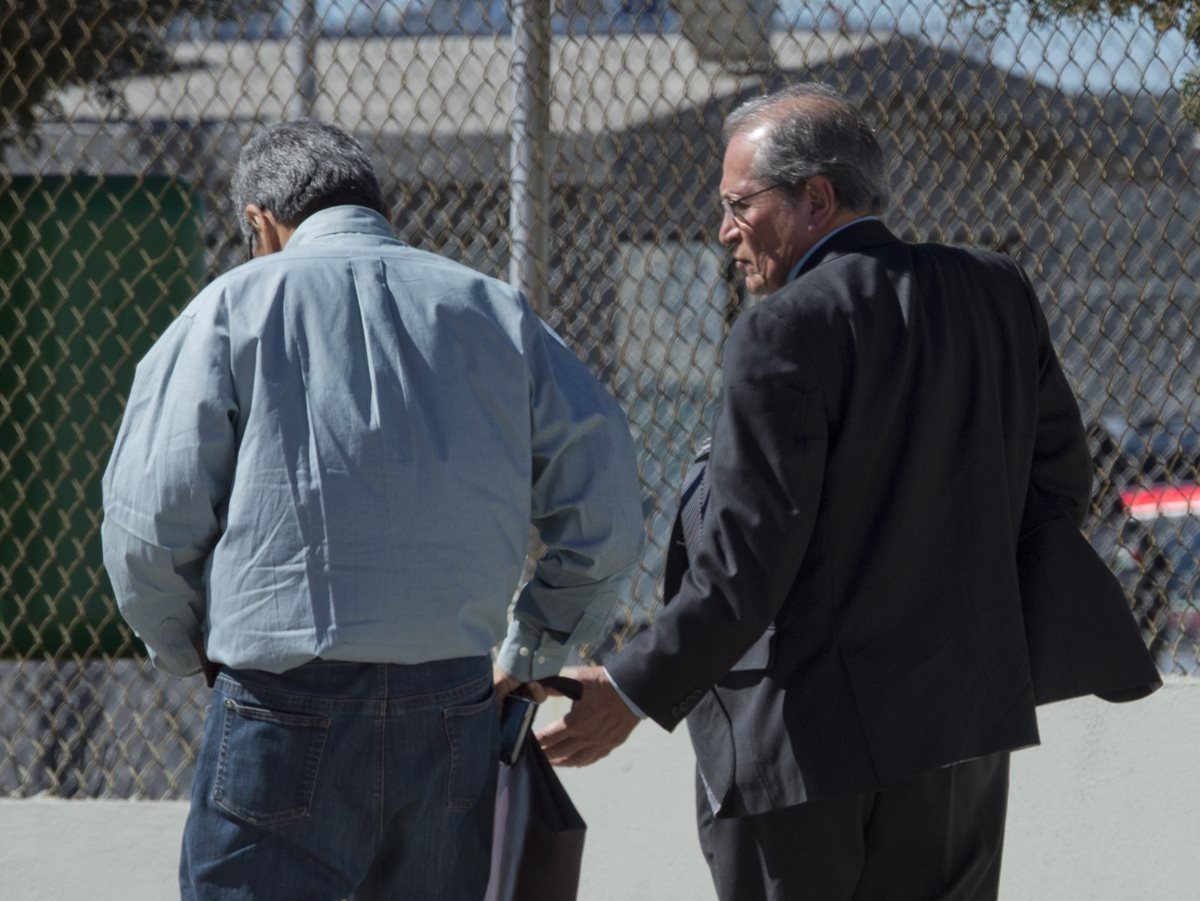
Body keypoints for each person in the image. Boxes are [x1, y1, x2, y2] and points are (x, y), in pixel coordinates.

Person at [536, 82, 1098, 900]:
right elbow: (1061, 486)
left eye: (738, 204)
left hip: (805, 755)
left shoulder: (782, 327)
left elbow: (745, 566)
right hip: (959, 736)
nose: (725, 231)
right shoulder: (993, 290)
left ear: (816, 199)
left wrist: (627, 688)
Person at [100, 119, 644, 900]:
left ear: (259, 221)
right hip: (455, 703)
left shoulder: (229, 308)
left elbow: (148, 523)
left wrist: (187, 648)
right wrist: (531, 651)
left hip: (280, 701)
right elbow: (607, 506)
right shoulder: (493, 309)